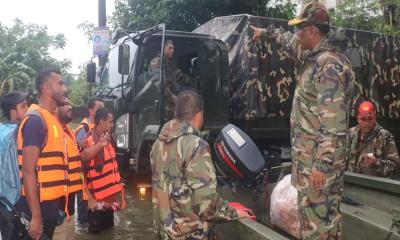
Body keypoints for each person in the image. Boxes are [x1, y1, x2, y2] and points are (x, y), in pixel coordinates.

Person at [251, 2, 354, 239]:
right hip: (309, 162)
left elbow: (333, 123)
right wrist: (265, 33)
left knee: (318, 227)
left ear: (313, 31)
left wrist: (322, 165)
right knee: (315, 221)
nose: (297, 35)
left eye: (300, 29)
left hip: (318, 166)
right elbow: (288, 41)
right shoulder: (313, 57)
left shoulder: (329, 65)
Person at [150, 90, 249, 240]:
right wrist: (234, 213)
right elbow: (205, 204)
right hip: (189, 235)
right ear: (198, 115)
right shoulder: (196, 146)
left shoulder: (158, 144)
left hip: (164, 233)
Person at [16, 69, 68, 240]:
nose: (64, 88)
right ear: (46, 88)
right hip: (36, 212)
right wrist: (36, 217)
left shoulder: (51, 120)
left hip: (50, 210)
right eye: (60, 83)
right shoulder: (36, 121)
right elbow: (28, 171)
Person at [83, 107, 124, 234]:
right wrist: (90, 199)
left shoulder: (109, 140)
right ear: (102, 122)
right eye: (110, 121)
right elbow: (80, 174)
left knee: (109, 234)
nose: (113, 125)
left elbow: (112, 171)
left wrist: (118, 196)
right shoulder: (89, 142)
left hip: (109, 204)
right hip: (96, 205)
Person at [52, 97, 85, 240]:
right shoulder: (48, 133)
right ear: (54, 108)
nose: (70, 107)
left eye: (70, 103)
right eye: (65, 104)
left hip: (69, 212)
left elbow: (78, 163)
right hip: (55, 214)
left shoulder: (68, 134)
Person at [348, 101, 400, 178]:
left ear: (375, 117)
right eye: (363, 119)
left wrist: (376, 163)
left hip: (373, 186)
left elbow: (396, 167)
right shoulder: (351, 133)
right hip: (351, 184)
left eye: (369, 119)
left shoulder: (385, 137)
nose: (366, 123)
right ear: (358, 118)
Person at [73, 97, 104, 224]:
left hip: (97, 180)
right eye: (99, 109)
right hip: (85, 179)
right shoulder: (84, 129)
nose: (102, 112)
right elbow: (79, 157)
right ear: (90, 110)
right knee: (84, 217)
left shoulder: (101, 128)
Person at [161, 40, 190, 120]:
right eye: (170, 48)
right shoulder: (158, 62)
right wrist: (175, 99)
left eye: (173, 48)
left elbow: (181, 78)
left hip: (173, 102)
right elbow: (160, 86)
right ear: (163, 48)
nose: (172, 50)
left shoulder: (170, 63)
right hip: (165, 104)